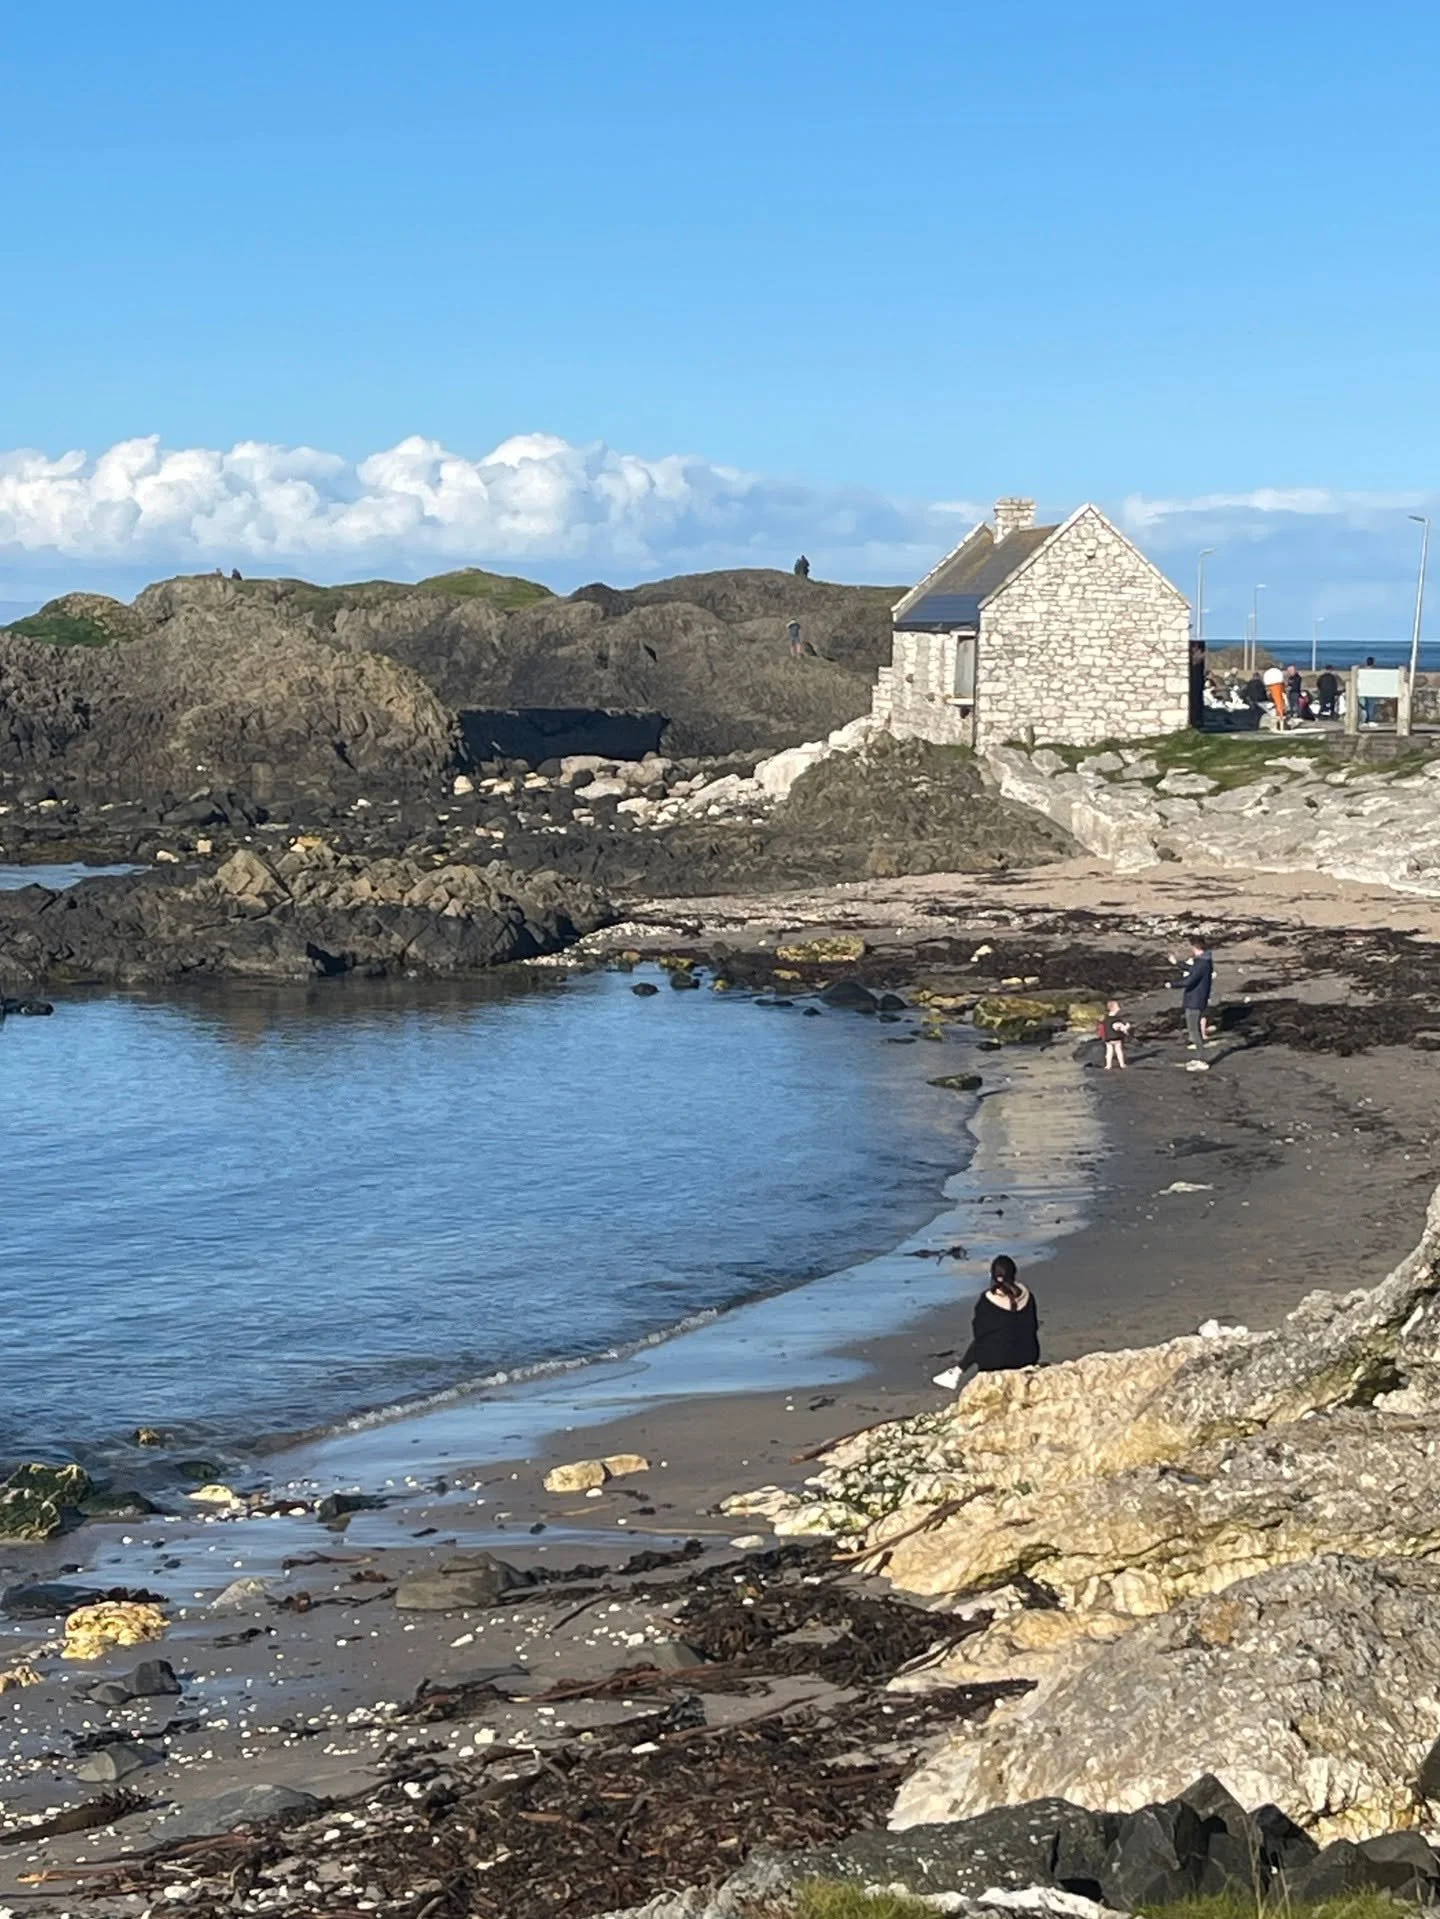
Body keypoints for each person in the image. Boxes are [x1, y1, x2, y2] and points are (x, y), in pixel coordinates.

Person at [959, 1255, 1040, 1374]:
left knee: (982, 1341)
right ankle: (959, 1369)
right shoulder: (1028, 1296)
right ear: (1014, 1273)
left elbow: (978, 1332)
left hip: (995, 1362)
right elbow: (1034, 1326)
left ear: (992, 1275)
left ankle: (959, 1369)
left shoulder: (987, 1301)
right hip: (1028, 1356)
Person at [1172, 935, 1214, 1052]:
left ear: (1195, 947)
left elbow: (1190, 980)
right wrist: (1177, 963)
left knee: (1194, 1031)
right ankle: (1200, 1055)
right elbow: (1193, 970)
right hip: (1198, 999)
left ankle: (1201, 1059)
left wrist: (1172, 984)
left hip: (1195, 1000)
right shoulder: (1205, 961)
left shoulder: (1201, 963)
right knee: (1195, 1030)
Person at [1098, 998, 1130, 1071]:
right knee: (1118, 1050)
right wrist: (1126, 1027)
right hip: (1116, 1038)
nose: (1119, 1008)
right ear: (1114, 1008)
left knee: (1109, 1051)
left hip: (1107, 1038)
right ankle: (1122, 1064)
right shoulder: (1116, 1019)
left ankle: (1108, 1065)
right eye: (1118, 1006)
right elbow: (1117, 1026)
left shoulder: (1105, 1018)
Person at [1361, 655, 1378, 726]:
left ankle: (1365, 721)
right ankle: (1370, 720)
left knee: (1365, 706)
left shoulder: (1363, 670)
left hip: (1363, 690)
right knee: (1371, 705)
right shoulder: (1373, 671)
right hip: (1371, 690)